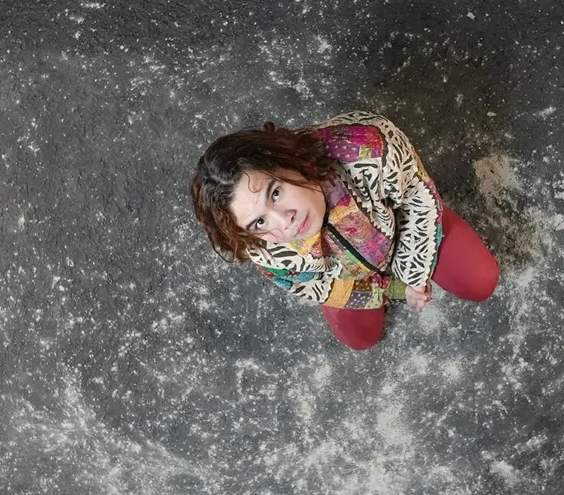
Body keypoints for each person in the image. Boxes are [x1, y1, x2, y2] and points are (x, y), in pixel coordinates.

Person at [190, 110, 499, 350]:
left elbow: (417, 197)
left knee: (480, 282)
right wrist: (395, 290)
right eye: (260, 222)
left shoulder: (370, 147)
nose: (285, 221)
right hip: (346, 274)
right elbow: (319, 286)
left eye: (276, 193)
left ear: (287, 162)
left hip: (403, 222)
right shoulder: (263, 248)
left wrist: (413, 273)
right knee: (361, 339)